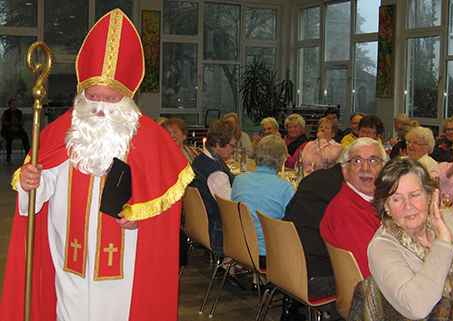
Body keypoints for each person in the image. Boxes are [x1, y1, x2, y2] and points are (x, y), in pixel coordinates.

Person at [0, 9, 195, 321]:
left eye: (110, 99)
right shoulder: (60, 132)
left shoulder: (151, 140)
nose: (100, 108)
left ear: (128, 98)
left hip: (125, 267)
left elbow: (162, 216)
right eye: (93, 96)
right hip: (69, 260)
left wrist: (139, 220)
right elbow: (44, 182)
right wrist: (30, 181)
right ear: (82, 94)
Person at [368, 157, 453, 320]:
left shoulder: (451, 220)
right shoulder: (382, 246)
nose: (408, 206)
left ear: (430, 195)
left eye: (415, 195)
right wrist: (443, 243)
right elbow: (416, 308)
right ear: (386, 207)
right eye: (396, 199)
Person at [320, 137, 389, 278]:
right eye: (357, 161)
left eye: (373, 160)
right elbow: (367, 274)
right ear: (345, 171)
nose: (365, 168)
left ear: (384, 169)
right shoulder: (348, 213)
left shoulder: (374, 202)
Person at [283, 163, 344, 320]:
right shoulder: (344, 192)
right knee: (366, 281)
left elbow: (287, 214)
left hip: (284, 265)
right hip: (313, 277)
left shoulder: (313, 178)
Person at [231, 135, 295, 268]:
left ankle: (257, 279)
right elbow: (290, 228)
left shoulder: (239, 180)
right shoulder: (285, 188)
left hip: (241, 248)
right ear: (282, 160)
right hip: (270, 254)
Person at [190, 119, 242, 281]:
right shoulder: (216, 173)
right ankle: (238, 265)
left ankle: (230, 264)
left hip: (203, 222)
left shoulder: (200, 160)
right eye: (233, 145)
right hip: (217, 228)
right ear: (219, 144)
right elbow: (230, 208)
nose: (234, 150)